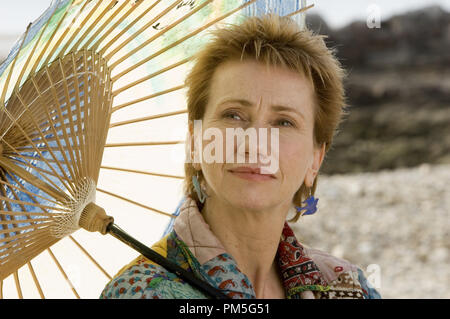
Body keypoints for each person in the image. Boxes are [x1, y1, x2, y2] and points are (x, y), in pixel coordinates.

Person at [100, 14, 381, 299]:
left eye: (284, 122)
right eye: (233, 115)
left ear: (315, 159)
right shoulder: (140, 293)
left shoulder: (349, 287)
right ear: (195, 143)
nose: (254, 144)